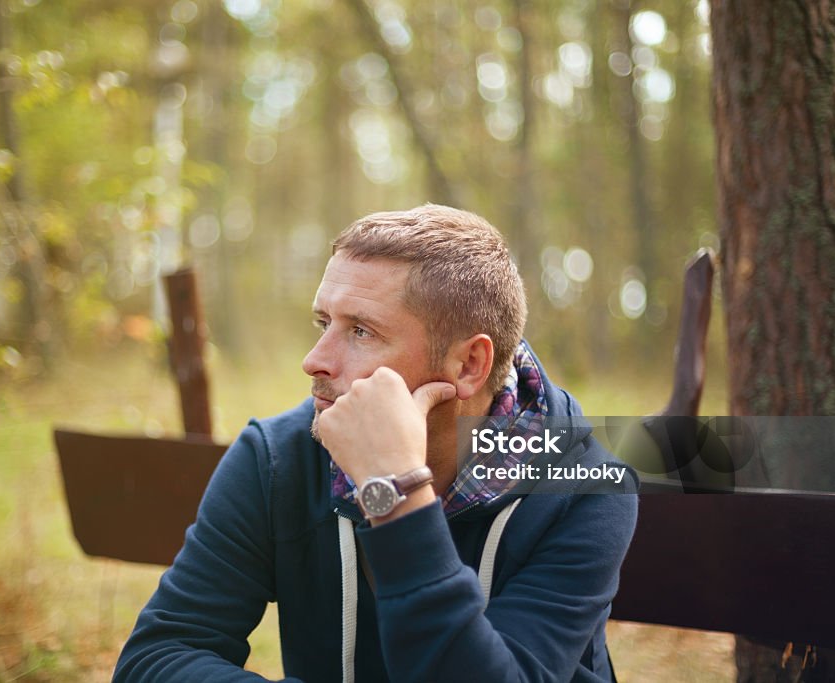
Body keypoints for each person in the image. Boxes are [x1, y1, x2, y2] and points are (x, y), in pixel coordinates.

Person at [113, 204, 638, 682]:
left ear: (468, 365)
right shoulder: (277, 458)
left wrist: (395, 490)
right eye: (324, 322)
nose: (315, 359)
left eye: (361, 331)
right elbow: (158, 656)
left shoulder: (588, 486)